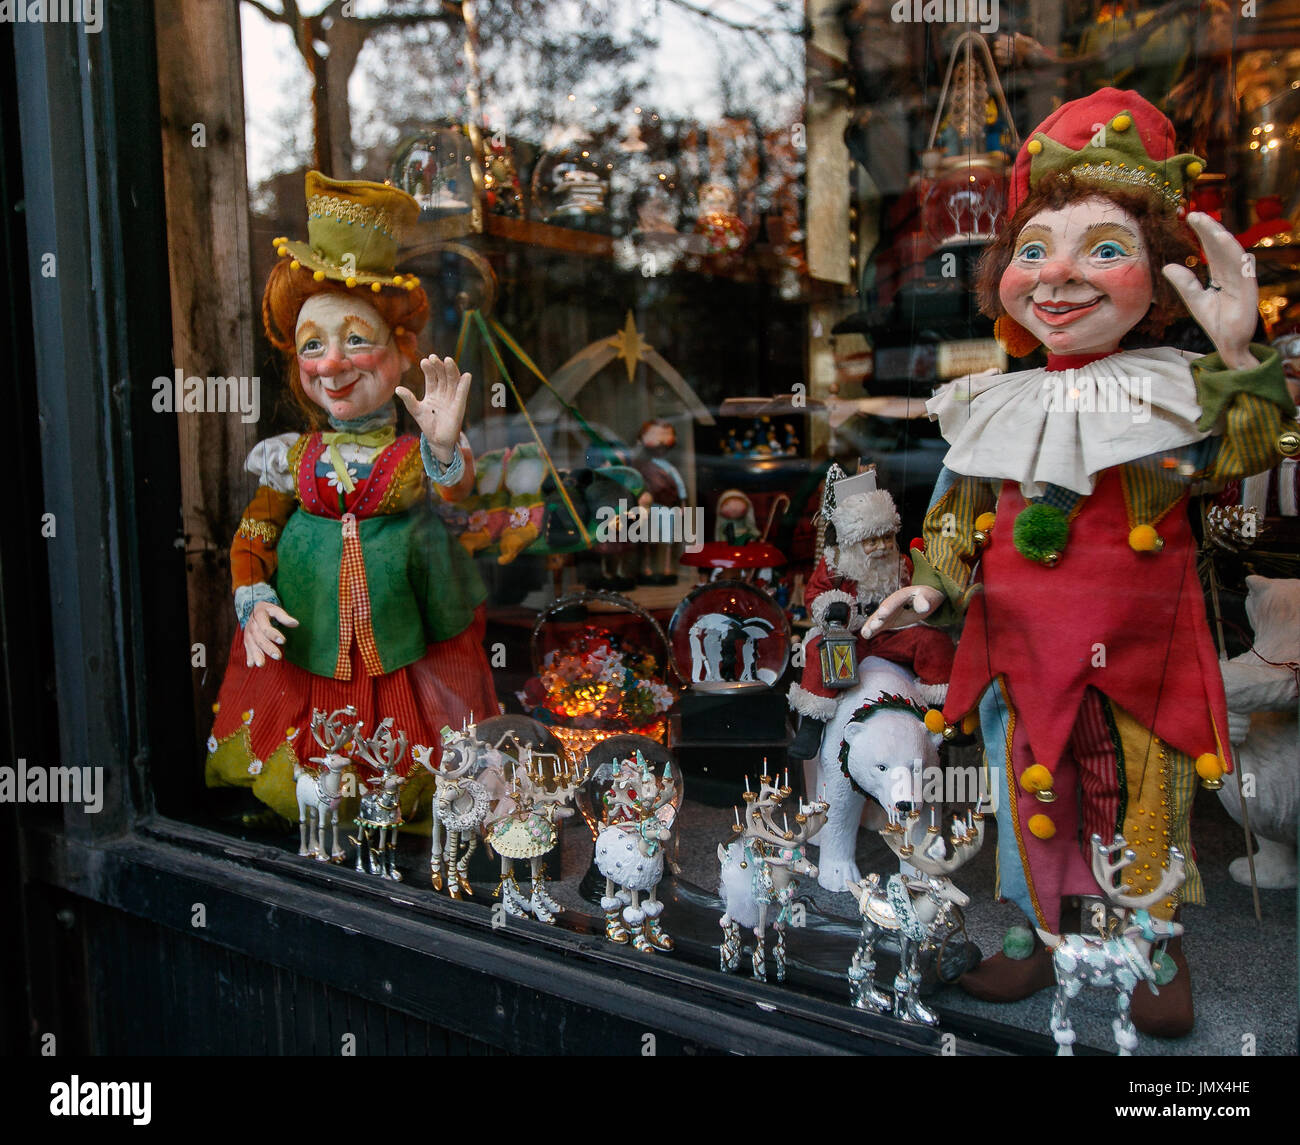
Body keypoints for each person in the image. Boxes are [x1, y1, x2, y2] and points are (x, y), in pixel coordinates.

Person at [866, 89, 1299, 1037]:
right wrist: (932, 581)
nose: (1059, 275)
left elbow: (1248, 451)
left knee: (1146, 791)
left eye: (1103, 248)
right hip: (1020, 647)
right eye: (1034, 250)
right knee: (1034, 787)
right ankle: (1032, 937)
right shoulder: (993, 401)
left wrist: (1239, 353)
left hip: (1142, 648)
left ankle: (1153, 946)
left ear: (1157, 272)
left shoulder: (1174, 389)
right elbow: (957, 512)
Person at [205, 172, 498, 824]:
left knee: (413, 749)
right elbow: (255, 528)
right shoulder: (289, 455)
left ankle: (399, 807)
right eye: (313, 344)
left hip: (405, 634)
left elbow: (453, 484)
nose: (332, 364)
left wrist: (444, 445)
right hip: (310, 632)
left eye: (354, 339)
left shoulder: (414, 451)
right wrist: (251, 595)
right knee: (308, 759)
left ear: (401, 350)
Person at [787, 469, 955, 760]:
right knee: (817, 650)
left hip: (893, 634)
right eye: (872, 541)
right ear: (854, 541)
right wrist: (833, 608)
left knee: (934, 643)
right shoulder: (837, 565)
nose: (882, 547)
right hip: (850, 635)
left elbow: (919, 592)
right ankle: (813, 721)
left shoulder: (902, 564)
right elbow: (814, 595)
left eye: (887, 538)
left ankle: (943, 714)